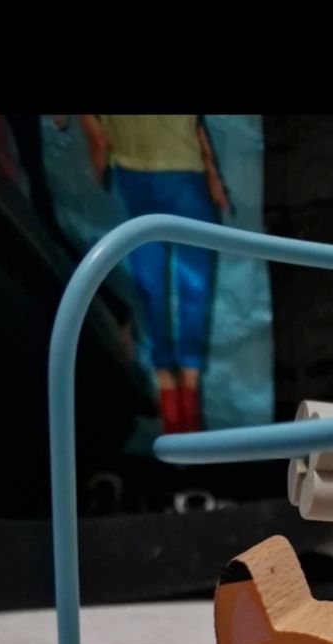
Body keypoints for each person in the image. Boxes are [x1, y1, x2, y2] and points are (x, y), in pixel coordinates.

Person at [78, 114, 231, 433]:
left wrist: (211, 171)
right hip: (137, 169)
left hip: (177, 167)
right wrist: (95, 136)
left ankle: (185, 388)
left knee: (191, 282)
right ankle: (170, 386)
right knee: (154, 283)